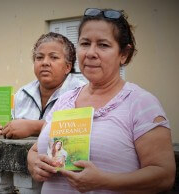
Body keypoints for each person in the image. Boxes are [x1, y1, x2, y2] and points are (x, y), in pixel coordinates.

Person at [27, 8, 175, 193]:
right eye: (85, 43)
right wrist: (33, 163)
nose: (90, 53)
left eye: (103, 45)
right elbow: (36, 149)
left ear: (124, 54)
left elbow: (164, 175)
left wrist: (104, 181)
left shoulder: (140, 103)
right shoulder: (65, 100)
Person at [0, 32, 85, 139]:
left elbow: (80, 125)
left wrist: (33, 127)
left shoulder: (81, 92)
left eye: (54, 57)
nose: (45, 63)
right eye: (39, 57)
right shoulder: (24, 93)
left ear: (67, 67)